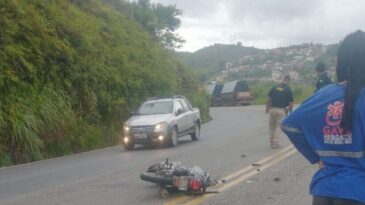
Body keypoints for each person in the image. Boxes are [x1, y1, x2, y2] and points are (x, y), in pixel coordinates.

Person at [282, 30, 365, 205]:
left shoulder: (322, 95)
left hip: (323, 191)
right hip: (358, 192)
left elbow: (289, 124)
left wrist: (316, 157)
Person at [265, 75, 294, 149]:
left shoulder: (275, 87)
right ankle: (276, 143)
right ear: (288, 81)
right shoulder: (288, 89)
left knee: (271, 126)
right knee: (278, 127)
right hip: (281, 110)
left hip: (272, 110)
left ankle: (271, 141)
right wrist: (290, 112)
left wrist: (267, 107)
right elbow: (291, 103)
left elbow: (268, 98)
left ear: (283, 79)